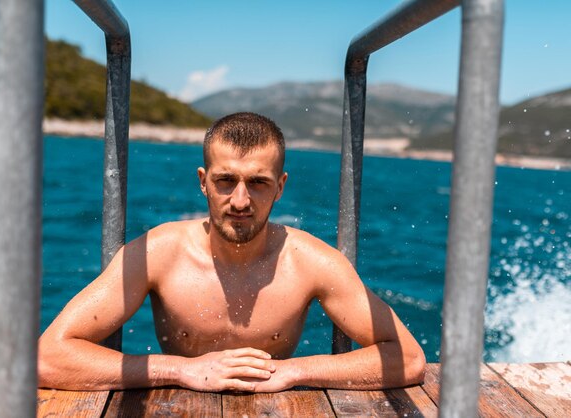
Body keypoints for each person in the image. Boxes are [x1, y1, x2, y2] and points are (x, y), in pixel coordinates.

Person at [38, 112, 425, 392]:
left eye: (258, 183)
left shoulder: (311, 261)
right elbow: (48, 356)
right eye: (226, 180)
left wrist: (293, 372)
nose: (240, 200)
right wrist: (182, 370)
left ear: (280, 187)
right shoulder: (158, 253)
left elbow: (408, 358)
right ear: (204, 183)